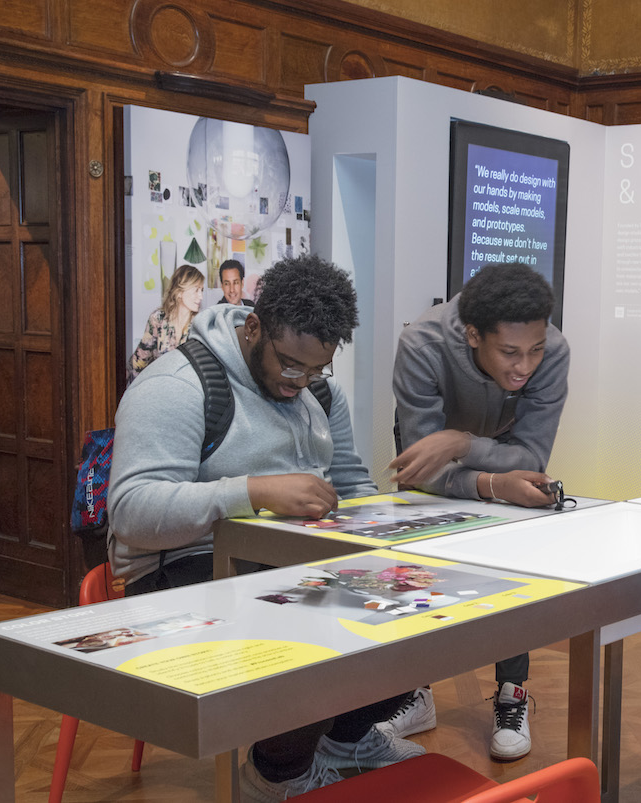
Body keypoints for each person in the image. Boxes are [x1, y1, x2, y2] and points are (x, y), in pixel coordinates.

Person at [108, 254, 424, 801]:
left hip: (288, 560)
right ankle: (277, 774)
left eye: (317, 368)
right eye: (290, 366)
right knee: (310, 632)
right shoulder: (178, 384)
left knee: (423, 604)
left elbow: (350, 483)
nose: (300, 382)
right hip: (180, 570)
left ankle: (346, 738)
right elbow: (132, 511)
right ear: (252, 326)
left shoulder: (318, 393)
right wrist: (251, 492)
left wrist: (386, 539)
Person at [386, 261, 569, 760]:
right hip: (446, 463)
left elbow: (532, 457)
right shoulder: (421, 346)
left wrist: (462, 443)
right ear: (471, 334)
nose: (524, 366)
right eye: (509, 352)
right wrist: (492, 483)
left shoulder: (552, 349)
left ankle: (512, 692)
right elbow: (420, 471)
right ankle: (413, 690)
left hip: (492, 451)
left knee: (512, 566)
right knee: (420, 557)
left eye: (534, 350)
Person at [128, 263, 204, 382]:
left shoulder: (200, 325)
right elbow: (139, 362)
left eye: (202, 290)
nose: (200, 296)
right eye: (196, 290)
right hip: (158, 389)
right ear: (179, 292)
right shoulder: (157, 320)